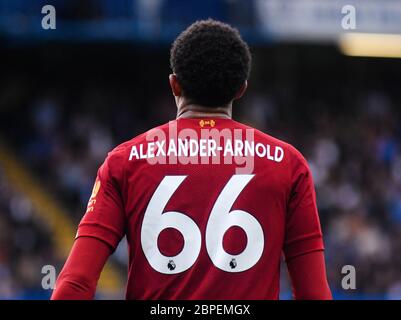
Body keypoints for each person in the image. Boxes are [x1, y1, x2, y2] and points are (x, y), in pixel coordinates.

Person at [51, 19, 332, 300]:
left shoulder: (124, 162)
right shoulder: (288, 164)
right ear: (241, 89)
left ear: (174, 84)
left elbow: (75, 284)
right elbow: (314, 293)